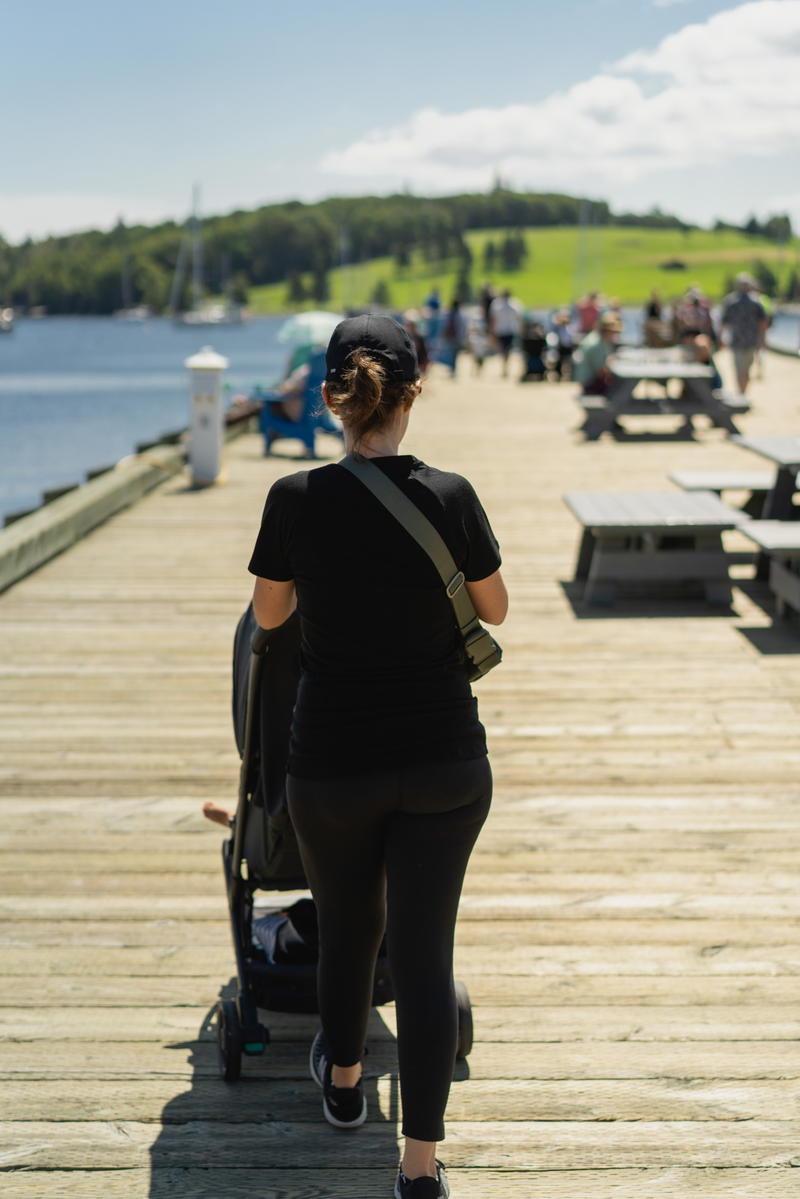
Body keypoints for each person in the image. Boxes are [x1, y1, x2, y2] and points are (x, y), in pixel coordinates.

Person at [246, 314, 507, 1199]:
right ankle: (421, 1167)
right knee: (426, 956)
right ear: (414, 391)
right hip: (444, 762)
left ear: (330, 397)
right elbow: (496, 608)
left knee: (350, 933)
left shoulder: (295, 497)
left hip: (333, 766)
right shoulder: (452, 492)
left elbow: (270, 617)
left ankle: (348, 1087)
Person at [720, 273, 768, 395]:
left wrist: (721, 337)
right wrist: (763, 339)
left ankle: (742, 392)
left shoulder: (752, 301)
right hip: (743, 340)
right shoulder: (753, 301)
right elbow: (763, 323)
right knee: (743, 369)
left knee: (742, 369)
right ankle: (742, 392)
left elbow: (762, 322)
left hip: (745, 340)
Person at [572, 311, 622, 394]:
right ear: (606, 331)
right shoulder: (596, 344)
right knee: (619, 387)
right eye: (614, 332)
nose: (615, 335)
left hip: (589, 381)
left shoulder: (597, 339)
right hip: (590, 383)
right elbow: (601, 371)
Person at [488, 289, 521, 377]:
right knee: (507, 349)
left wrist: (491, 330)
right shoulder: (514, 304)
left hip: (500, 330)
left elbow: (493, 319)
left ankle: (504, 366)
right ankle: (506, 366)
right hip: (510, 330)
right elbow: (518, 318)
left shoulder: (497, 304)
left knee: (502, 349)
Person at [437, 298, 468, 377]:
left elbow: (444, 326)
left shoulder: (448, 314)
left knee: (451, 353)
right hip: (457, 337)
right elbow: (463, 327)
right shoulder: (461, 314)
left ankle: (452, 368)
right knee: (455, 354)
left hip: (450, 337)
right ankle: (453, 369)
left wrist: (442, 335)